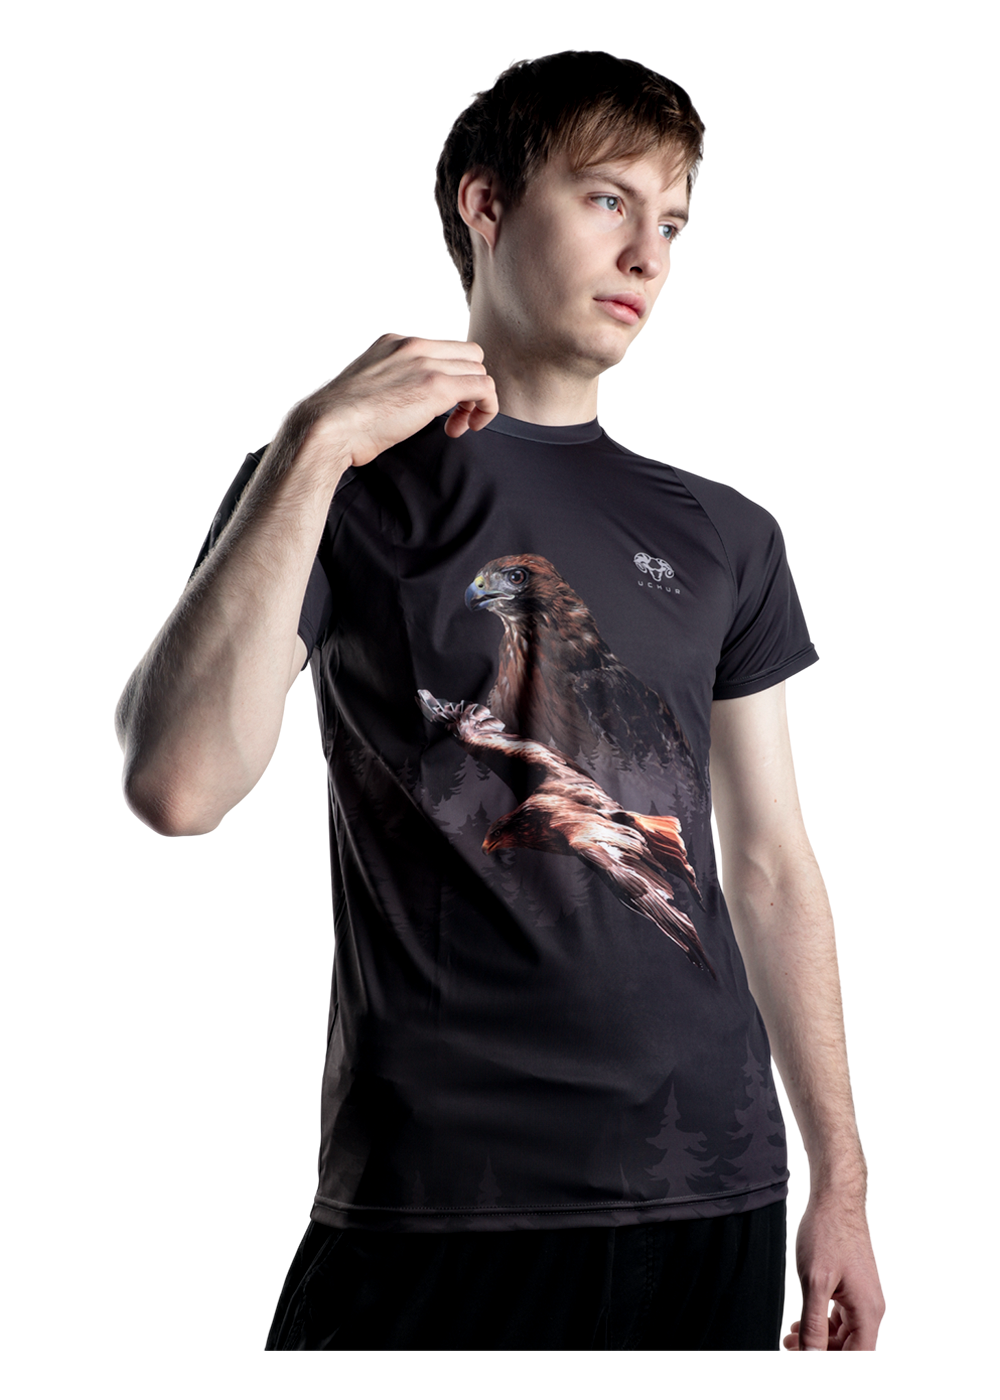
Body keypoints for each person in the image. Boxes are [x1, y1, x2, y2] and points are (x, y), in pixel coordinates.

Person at [115, 50, 884, 1351]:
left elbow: (768, 865)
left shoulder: (724, 533)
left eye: (675, 222)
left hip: (713, 1182)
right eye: (608, 199)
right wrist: (314, 443)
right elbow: (179, 785)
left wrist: (843, 1185)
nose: (647, 254)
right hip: (445, 1194)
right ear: (485, 204)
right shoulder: (338, 484)